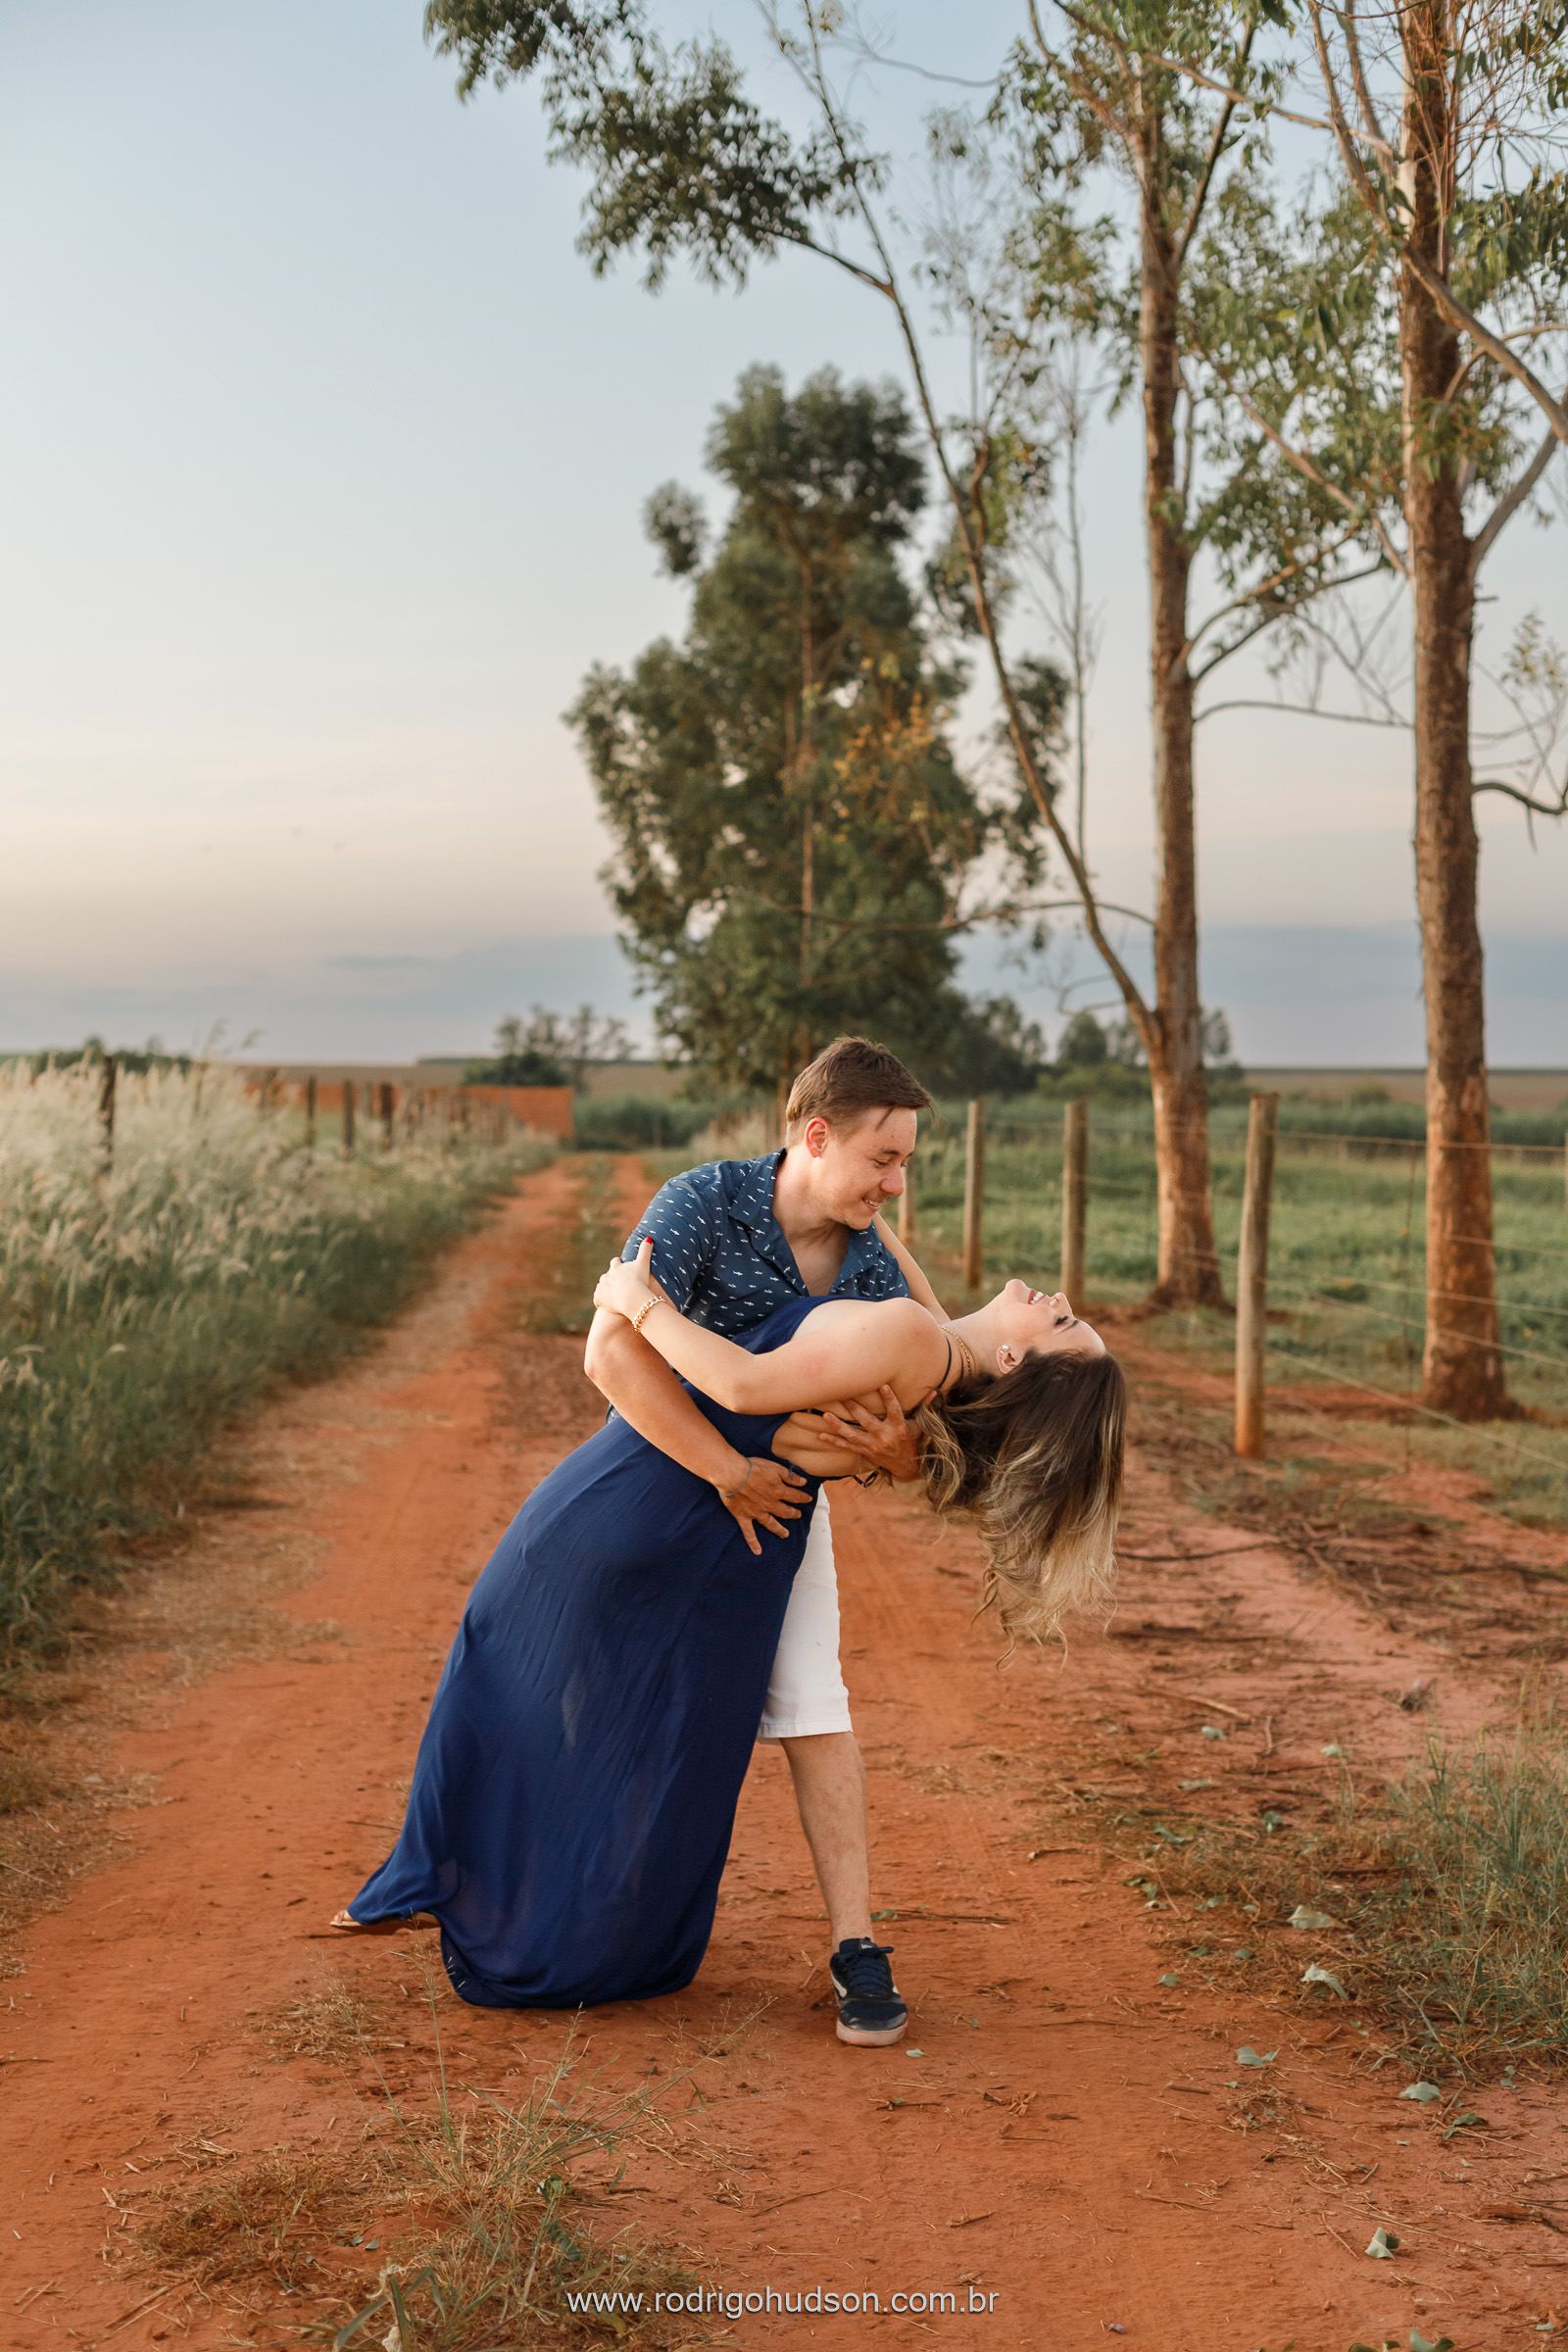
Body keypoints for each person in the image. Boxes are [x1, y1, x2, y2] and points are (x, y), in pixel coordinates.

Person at [331, 1242, 1124, 2030]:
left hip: (683, 1499)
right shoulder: (936, 1344)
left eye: (1066, 1321)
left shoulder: (916, 1341)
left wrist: (633, 1300)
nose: (1058, 1296)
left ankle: (474, 1880)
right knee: (663, 1721)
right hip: (726, 1517)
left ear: (1015, 1358)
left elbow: (743, 1386)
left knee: (532, 1672)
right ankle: (577, 1908)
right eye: (885, 1158)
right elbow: (913, 1307)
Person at [582, 1037, 942, 2045]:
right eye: (885, 1157)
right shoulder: (704, 1199)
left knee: (814, 1707)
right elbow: (609, 1350)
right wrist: (724, 1468)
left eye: (907, 1161)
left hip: (781, 1515)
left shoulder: (871, 1269)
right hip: (657, 1480)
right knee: (602, 1690)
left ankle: (855, 1946)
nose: (897, 1181)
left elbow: (906, 1436)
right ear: (816, 1136)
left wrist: (896, 1454)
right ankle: (568, 1893)